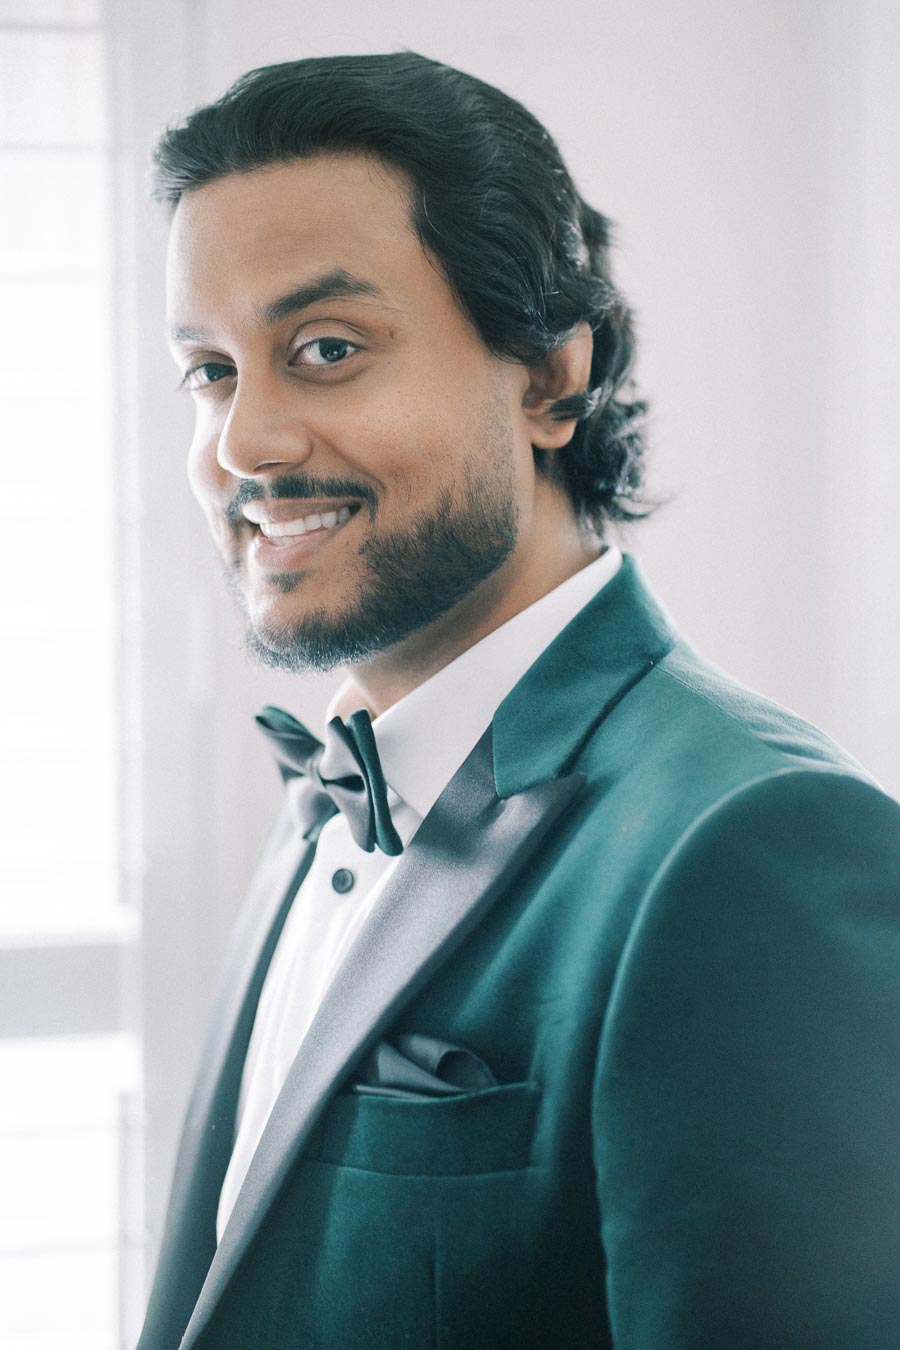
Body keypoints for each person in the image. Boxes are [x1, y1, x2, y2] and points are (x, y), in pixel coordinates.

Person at [138, 52, 900, 1350]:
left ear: (549, 377)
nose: (243, 444)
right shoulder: (332, 792)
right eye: (211, 369)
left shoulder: (757, 845)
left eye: (324, 349)